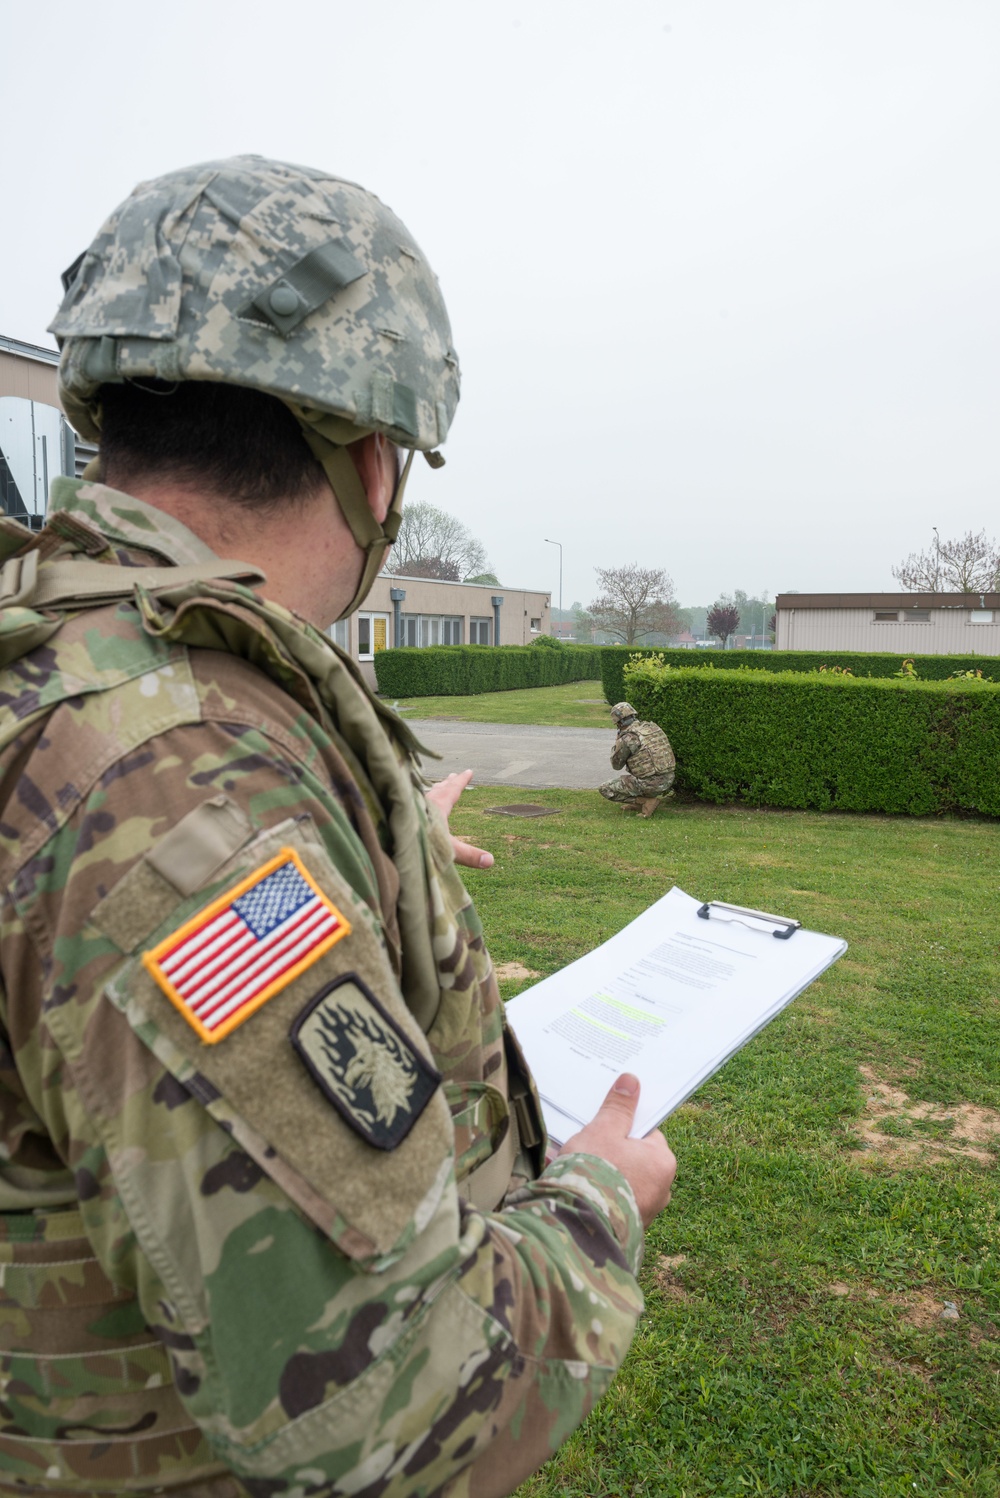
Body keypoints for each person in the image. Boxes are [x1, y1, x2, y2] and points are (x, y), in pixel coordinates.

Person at [0, 157, 676, 1498]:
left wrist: (366, 857)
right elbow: (387, 1405)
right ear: (372, 458)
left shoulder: (63, 657)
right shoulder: (191, 796)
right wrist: (598, 1191)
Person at [599, 701, 677, 817]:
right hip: (669, 779)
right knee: (635, 779)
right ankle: (640, 802)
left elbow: (616, 765)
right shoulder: (651, 728)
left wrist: (617, 742)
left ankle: (645, 802)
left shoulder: (629, 737)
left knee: (605, 789)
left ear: (618, 723)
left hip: (650, 783)